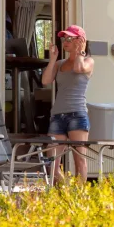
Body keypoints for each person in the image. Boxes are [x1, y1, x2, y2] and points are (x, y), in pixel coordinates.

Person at [43, 25, 94, 183]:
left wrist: (80, 52)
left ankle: (79, 199)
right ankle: (68, 193)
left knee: (80, 161)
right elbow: (45, 81)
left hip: (77, 115)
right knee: (53, 163)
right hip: (57, 115)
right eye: (64, 39)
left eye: (70, 39)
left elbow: (79, 69)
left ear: (81, 41)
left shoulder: (88, 61)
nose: (65, 42)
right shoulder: (59, 64)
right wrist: (52, 59)